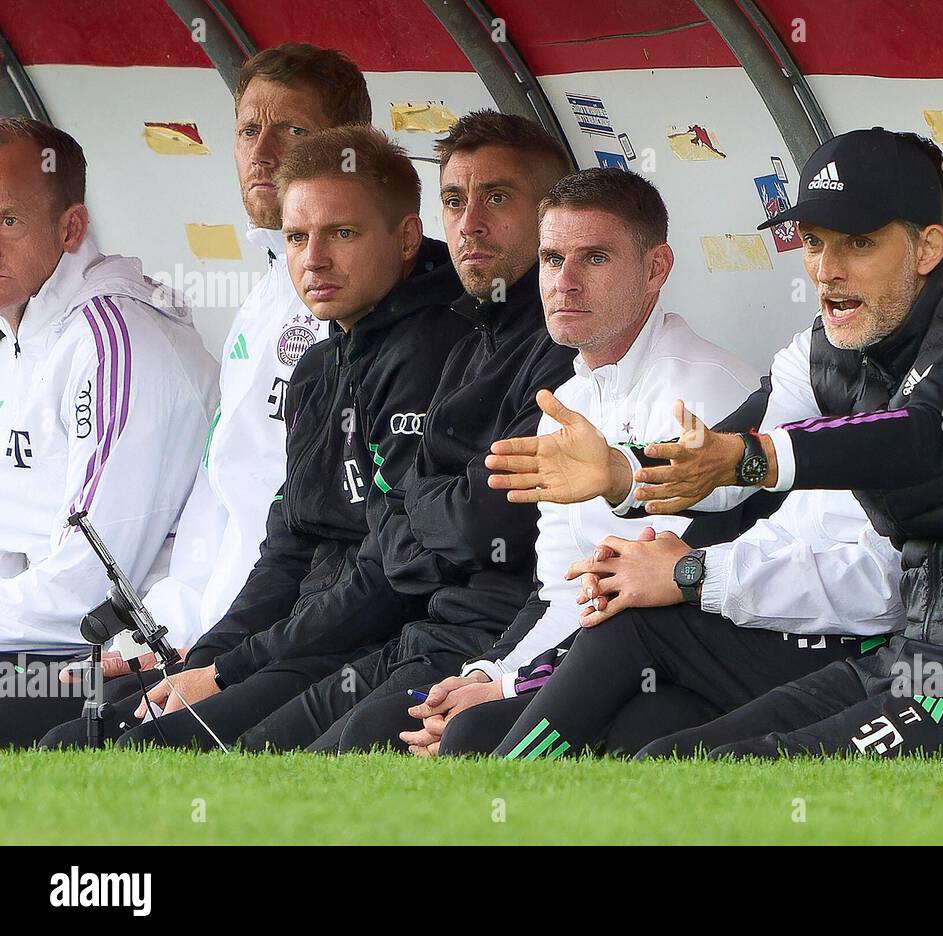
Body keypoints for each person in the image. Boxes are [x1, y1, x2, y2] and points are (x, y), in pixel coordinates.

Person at [485, 127, 943, 760]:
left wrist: (752, 463)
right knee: (672, 763)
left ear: (929, 247)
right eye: (814, 242)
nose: (826, 270)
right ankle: (497, 807)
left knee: (745, 777)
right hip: (922, 656)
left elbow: (920, 438)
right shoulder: (824, 351)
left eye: (858, 243)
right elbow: (727, 459)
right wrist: (623, 473)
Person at [41, 125, 472, 748]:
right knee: (70, 732)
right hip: (298, 633)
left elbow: (387, 577)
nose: (314, 258)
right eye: (297, 237)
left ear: (407, 238)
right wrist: (202, 661)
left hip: (373, 644)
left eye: (341, 234)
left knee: (150, 750)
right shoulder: (319, 366)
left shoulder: (433, 352)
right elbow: (287, 546)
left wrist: (226, 670)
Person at [377, 166, 791, 756]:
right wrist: (489, 675)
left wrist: (514, 684)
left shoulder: (704, 390)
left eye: (593, 259)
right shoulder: (567, 402)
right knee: (450, 724)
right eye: (551, 259)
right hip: (593, 654)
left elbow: (641, 602)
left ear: (656, 269)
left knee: (478, 737)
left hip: (696, 666)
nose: (563, 284)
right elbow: (556, 589)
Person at [224, 111, 580, 753]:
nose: (470, 223)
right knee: (222, 753)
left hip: (487, 641)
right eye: (454, 199)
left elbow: (477, 526)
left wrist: (423, 512)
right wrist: (217, 658)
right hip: (413, 629)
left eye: (496, 198)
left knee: (287, 768)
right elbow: (355, 535)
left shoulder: (549, 347)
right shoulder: (468, 333)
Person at [132, 43, 370, 663]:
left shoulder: (367, 302)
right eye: (248, 130)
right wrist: (167, 623)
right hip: (212, 622)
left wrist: (217, 651)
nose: (263, 153)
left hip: (293, 628)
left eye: (292, 129)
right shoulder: (261, 296)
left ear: (352, 146)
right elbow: (222, 487)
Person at [0, 118, 217, 745]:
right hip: (48, 642)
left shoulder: (114, 341)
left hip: (134, 655)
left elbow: (93, 582)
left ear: (70, 229)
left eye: (8, 220)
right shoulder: (19, 330)